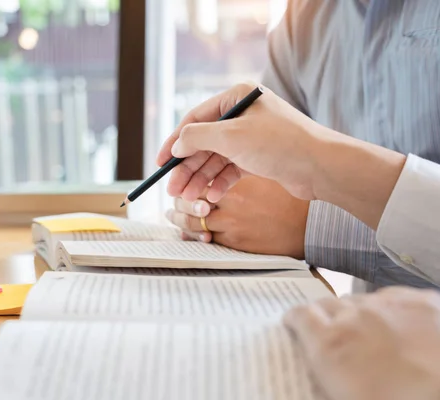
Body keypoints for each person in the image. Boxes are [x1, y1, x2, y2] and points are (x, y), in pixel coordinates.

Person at [158, 82, 440, 400]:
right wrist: (218, 207)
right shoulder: (298, 37)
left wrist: (313, 220)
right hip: (342, 349)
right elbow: (255, 163)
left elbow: (288, 175)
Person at [162, 0, 440, 291]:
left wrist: (314, 225)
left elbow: (280, 208)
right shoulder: (305, 16)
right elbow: (261, 185)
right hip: (354, 328)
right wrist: (217, 207)